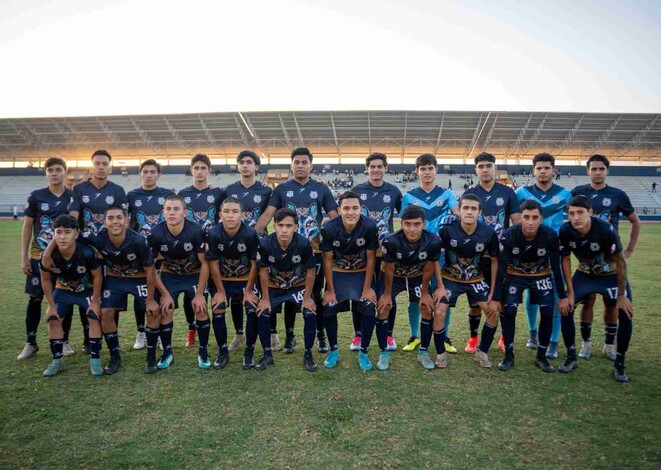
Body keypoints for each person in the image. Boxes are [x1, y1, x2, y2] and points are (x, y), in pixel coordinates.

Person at [254, 148, 338, 355]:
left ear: (311, 165)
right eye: (297, 162)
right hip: (287, 252)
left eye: (304, 162)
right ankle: (290, 337)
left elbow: (334, 217)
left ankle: (320, 336)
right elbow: (268, 215)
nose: (300, 166)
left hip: (313, 252)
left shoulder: (321, 189)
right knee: (290, 292)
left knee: (315, 295)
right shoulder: (282, 189)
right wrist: (251, 234)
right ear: (291, 165)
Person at [571, 154, 640, 360]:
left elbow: (635, 221)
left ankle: (609, 345)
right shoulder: (578, 192)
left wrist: (629, 250)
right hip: (586, 261)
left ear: (607, 171)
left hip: (611, 260)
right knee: (587, 301)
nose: (597, 172)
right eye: (594, 169)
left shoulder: (618, 195)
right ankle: (586, 344)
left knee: (612, 304)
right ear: (588, 171)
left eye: (601, 169)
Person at [558, 196, 634, 382]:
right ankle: (571, 357)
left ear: (590, 212)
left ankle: (619, 363)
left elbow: (621, 262)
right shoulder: (566, 230)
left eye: (580, 213)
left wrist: (622, 295)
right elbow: (565, 259)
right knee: (565, 308)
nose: (576, 217)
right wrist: (569, 292)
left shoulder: (605, 229)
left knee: (625, 312)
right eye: (572, 213)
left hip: (610, 277)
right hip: (584, 275)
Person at [493, 200, 568, 373]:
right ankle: (509, 355)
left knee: (548, 312)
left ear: (541, 219)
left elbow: (556, 267)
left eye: (535, 218)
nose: (530, 222)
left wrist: (562, 296)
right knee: (509, 310)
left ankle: (541, 357)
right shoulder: (509, 235)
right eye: (526, 217)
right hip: (515, 275)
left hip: (540, 275)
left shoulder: (549, 235)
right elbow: (502, 268)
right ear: (520, 218)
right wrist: (496, 297)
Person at [69, 150, 129, 350]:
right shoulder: (79, 189)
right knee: (88, 294)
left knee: (110, 295)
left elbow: (123, 221)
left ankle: (113, 337)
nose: (101, 167)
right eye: (97, 163)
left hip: (110, 251)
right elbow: (73, 218)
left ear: (110, 167)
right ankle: (89, 338)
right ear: (91, 166)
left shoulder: (118, 190)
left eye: (104, 163)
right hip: (87, 251)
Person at [462, 152, 521, 354]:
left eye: (489, 165)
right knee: (475, 302)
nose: (485, 169)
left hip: (500, 256)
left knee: (501, 300)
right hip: (477, 258)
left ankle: (504, 338)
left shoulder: (507, 192)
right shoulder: (470, 193)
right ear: (476, 169)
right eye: (481, 166)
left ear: (495, 168)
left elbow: (516, 223)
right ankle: (473, 339)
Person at [515, 153, 572, 359]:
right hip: (527, 253)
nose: (543, 171)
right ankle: (533, 334)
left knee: (557, 296)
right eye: (539, 168)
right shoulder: (522, 192)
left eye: (547, 168)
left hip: (553, 254)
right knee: (532, 295)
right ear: (533, 171)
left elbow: (573, 219)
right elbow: (513, 219)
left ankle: (553, 342)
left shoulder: (565, 194)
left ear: (553, 170)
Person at [400, 153, 458, 353]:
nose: (426, 172)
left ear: (436, 170)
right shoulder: (409, 197)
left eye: (430, 168)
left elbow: (458, 212)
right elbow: (404, 224)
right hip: (416, 256)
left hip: (442, 254)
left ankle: (445, 336)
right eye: (422, 169)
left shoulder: (447, 194)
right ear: (417, 172)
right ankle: (415, 335)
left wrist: (455, 218)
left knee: (443, 297)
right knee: (415, 297)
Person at [18, 157, 75, 361]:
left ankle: (64, 340)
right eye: (50, 170)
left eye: (59, 169)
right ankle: (30, 342)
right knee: (35, 298)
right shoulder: (36, 196)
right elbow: (27, 227)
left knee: (62, 298)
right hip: (37, 255)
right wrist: (24, 256)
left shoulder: (72, 197)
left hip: (63, 258)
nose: (54, 173)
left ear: (65, 172)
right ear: (46, 173)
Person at [435, 194, 499, 369]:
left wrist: (493, 291)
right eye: (466, 208)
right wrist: (439, 286)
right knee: (439, 312)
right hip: (450, 277)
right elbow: (434, 258)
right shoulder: (447, 229)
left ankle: (482, 352)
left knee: (493, 313)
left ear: (479, 212)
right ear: (459, 210)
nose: (469, 212)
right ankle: (441, 353)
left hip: (475, 278)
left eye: (473, 209)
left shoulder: (488, 232)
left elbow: (494, 261)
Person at [320, 191, 382, 370]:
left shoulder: (369, 226)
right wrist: (330, 290)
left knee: (369, 305)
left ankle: (364, 351)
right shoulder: (329, 228)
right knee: (329, 306)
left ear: (361, 209)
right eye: (346, 208)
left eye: (355, 208)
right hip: (338, 273)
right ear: (339, 210)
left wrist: (368, 287)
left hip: (361, 272)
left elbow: (371, 259)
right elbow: (327, 260)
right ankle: (334, 350)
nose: (351, 212)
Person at [377, 205, 442, 371]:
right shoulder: (390, 241)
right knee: (383, 308)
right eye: (407, 224)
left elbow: (429, 267)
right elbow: (389, 269)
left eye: (416, 224)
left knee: (426, 308)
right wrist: (387, 294)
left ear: (424, 224)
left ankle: (423, 352)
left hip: (417, 277)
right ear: (402, 223)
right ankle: (383, 352)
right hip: (395, 277)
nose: (412, 229)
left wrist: (426, 293)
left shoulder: (433, 241)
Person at [148, 195, 208, 372]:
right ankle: (167, 352)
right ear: (163, 212)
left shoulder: (196, 230)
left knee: (201, 309)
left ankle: (203, 352)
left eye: (176, 209)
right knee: (165, 310)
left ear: (185, 213)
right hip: (170, 275)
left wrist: (199, 294)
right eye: (168, 209)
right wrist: (165, 294)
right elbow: (151, 267)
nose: (172, 213)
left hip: (193, 274)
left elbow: (205, 263)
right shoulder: (156, 233)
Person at [39, 215, 103, 376]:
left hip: (86, 291)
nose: (62, 237)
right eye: (58, 232)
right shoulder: (48, 256)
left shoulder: (86, 252)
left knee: (94, 316)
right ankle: (57, 360)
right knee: (52, 318)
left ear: (76, 234)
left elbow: (97, 276)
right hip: (63, 290)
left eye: (67, 232)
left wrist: (95, 302)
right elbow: (46, 280)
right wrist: (51, 306)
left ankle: (95, 360)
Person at [205, 198, 265, 370]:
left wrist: (248, 290)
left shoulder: (249, 234)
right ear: (220, 215)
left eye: (235, 212)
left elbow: (254, 263)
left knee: (252, 307)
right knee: (218, 307)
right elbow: (213, 264)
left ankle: (249, 351)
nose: (230, 216)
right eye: (226, 212)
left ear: (242, 215)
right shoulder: (214, 233)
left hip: (245, 279)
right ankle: (223, 352)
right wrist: (220, 291)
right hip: (222, 280)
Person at [351, 153, 402, 351]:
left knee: (387, 294)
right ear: (367, 169)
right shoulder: (357, 190)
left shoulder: (394, 191)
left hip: (386, 253)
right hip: (361, 251)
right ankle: (358, 336)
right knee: (360, 293)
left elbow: (404, 216)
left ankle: (388, 335)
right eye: (372, 167)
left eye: (379, 166)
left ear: (385, 168)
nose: (376, 170)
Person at [256, 208, 318, 371]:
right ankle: (267, 354)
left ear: (296, 227)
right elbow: (262, 271)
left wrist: (307, 297)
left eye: (289, 226)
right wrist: (264, 298)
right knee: (263, 313)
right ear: (274, 226)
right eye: (280, 225)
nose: (284, 230)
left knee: (310, 313)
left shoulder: (304, 244)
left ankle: (308, 355)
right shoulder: (264, 244)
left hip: (297, 287)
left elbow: (311, 271)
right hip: (274, 287)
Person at [224, 150, 272, 352]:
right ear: (238, 166)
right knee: (237, 292)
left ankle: (272, 333)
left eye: (249, 162)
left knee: (265, 289)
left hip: (258, 244)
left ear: (256, 167)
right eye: (241, 162)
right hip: (235, 248)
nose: (245, 165)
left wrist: (252, 234)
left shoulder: (266, 190)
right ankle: (239, 334)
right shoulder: (229, 189)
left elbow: (270, 214)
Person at [178, 153, 227, 348]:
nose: (199, 172)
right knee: (192, 293)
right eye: (196, 168)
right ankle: (192, 330)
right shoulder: (183, 193)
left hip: (211, 249)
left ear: (209, 170)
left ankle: (210, 330)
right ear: (191, 170)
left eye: (203, 168)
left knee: (209, 290)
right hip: (188, 250)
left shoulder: (217, 194)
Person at [127, 159, 174, 351]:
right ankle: (141, 331)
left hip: (162, 254)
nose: (148, 175)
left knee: (160, 293)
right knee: (142, 294)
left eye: (152, 172)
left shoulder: (167, 195)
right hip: (139, 252)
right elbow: (127, 223)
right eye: (145, 172)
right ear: (140, 174)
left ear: (158, 175)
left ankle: (162, 332)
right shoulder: (131, 196)